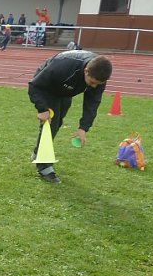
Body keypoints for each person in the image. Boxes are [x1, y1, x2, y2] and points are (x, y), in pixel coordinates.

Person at [27, 50, 112, 184]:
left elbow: (92, 103)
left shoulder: (99, 75)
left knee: (57, 123)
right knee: (50, 125)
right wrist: (42, 109)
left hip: (65, 92)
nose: (94, 86)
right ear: (86, 71)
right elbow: (34, 85)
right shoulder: (63, 65)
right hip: (47, 87)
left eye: (98, 84)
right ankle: (44, 167)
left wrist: (83, 128)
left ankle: (38, 153)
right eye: (92, 82)